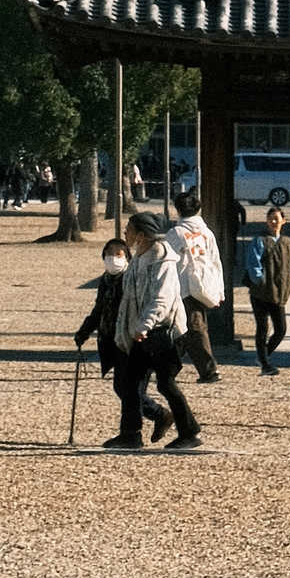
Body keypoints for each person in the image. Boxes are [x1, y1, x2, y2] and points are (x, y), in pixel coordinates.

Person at [109, 213, 202, 452]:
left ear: (141, 234)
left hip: (167, 333)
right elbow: (128, 300)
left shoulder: (164, 261)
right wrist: (124, 333)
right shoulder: (138, 259)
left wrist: (143, 326)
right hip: (144, 333)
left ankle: (189, 432)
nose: (126, 234)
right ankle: (130, 434)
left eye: (129, 229)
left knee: (166, 383)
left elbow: (161, 300)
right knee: (129, 382)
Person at [75, 235, 168, 438]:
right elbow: (100, 309)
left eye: (118, 254)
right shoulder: (106, 280)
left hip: (131, 337)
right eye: (108, 254)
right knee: (123, 387)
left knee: (129, 387)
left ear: (126, 256)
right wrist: (85, 330)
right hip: (112, 340)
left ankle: (139, 427)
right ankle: (156, 415)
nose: (113, 258)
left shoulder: (131, 278)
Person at [166, 186, 225, 382]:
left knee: (193, 328)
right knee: (188, 329)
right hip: (205, 284)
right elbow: (216, 261)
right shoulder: (207, 233)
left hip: (183, 287)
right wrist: (220, 289)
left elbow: (168, 262)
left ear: (178, 210)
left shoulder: (175, 233)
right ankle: (167, 367)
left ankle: (209, 370)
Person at [245, 206, 290, 374]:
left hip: (279, 292)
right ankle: (266, 364)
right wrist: (260, 280)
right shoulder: (260, 240)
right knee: (262, 327)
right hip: (260, 292)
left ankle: (263, 355)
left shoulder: (288, 243)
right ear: (266, 220)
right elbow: (253, 264)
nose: (274, 221)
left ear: (283, 221)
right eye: (271, 218)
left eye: (277, 218)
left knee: (281, 329)